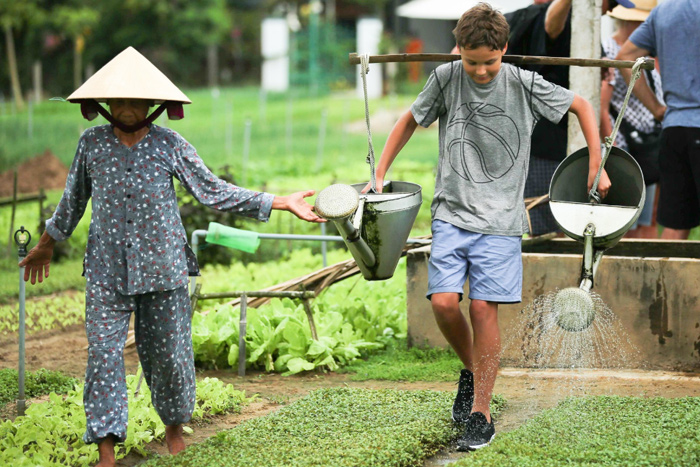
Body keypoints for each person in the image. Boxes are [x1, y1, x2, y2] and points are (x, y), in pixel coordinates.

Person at [19, 47, 323, 467]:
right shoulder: (92, 145)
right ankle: (107, 448)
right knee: (103, 355)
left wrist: (278, 201)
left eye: (134, 101)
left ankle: (175, 431)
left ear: (153, 105)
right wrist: (47, 242)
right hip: (106, 270)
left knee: (168, 357)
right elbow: (73, 200)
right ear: (105, 106)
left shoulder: (170, 145)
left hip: (164, 270)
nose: (126, 109)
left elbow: (213, 190)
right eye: (118, 101)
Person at [368, 3, 610, 451]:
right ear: (457, 50)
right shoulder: (446, 77)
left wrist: (596, 161)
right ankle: (474, 370)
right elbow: (408, 120)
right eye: (471, 61)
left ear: (504, 50)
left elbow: (580, 105)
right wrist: (380, 171)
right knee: (443, 304)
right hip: (451, 213)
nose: (480, 71)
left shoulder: (522, 82)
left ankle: (481, 412)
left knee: (483, 310)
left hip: (500, 221)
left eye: (489, 62)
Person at [507, 0, 635, 235]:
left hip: (573, 141)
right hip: (542, 143)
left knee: (572, 222)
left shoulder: (586, 29)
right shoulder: (551, 19)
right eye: (610, 2)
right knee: (543, 225)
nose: (610, 9)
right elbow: (551, 25)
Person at [616, 0, 700, 240]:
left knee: (675, 225)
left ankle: (662, 280)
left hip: (674, 128)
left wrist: (657, 109)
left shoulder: (663, 11)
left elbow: (626, 57)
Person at [601, 0, 662, 238]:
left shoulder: (645, 54)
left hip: (647, 147)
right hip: (624, 146)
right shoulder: (608, 51)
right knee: (622, 222)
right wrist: (611, 146)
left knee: (646, 220)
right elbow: (602, 105)